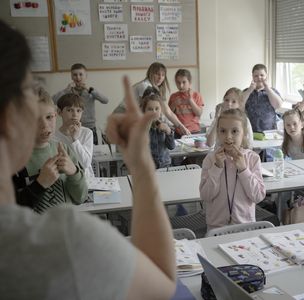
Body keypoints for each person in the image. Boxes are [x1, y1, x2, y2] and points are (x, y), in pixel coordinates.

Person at [0, 21, 176, 299]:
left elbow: (79, 191)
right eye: (29, 93)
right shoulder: (64, 240)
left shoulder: (66, 146)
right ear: (12, 117)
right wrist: (141, 166)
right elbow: (162, 283)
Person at [13, 87, 88, 213]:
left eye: (49, 117)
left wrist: (74, 173)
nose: (45, 125)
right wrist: (40, 184)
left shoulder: (64, 149)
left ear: (55, 115)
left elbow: (81, 197)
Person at [200, 109, 266, 231]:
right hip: (216, 228)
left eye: (235, 131)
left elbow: (258, 196)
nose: (228, 137)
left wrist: (243, 169)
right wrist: (217, 167)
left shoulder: (252, 159)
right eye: (223, 131)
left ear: (244, 133)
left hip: (246, 227)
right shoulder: (210, 159)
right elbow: (206, 196)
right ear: (218, 133)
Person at [113, 62, 191, 135]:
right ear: (151, 74)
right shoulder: (145, 86)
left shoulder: (157, 89)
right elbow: (152, 111)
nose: (160, 77)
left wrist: (180, 126)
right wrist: (174, 126)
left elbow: (167, 111)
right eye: (157, 74)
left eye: (163, 75)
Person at [53, 63, 109, 145]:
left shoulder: (91, 91)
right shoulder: (68, 91)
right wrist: (65, 90)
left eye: (81, 74)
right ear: (71, 77)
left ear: (86, 76)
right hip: (71, 128)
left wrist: (91, 91)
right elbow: (53, 100)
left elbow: (105, 100)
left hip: (90, 127)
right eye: (75, 75)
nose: (78, 77)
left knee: (91, 154)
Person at [54, 93, 94, 178]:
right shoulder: (54, 137)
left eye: (78, 110)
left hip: (86, 181)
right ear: (59, 112)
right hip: (64, 181)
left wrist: (75, 139)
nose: (75, 114)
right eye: (69, 110)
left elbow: (86, 163)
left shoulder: (87, 133)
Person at [242, 64, 284, 132]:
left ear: (266, 76)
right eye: (256, 76)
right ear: (252, 77)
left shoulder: (273, 91)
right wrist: (250, 90)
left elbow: (278, 105)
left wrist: (267, 88)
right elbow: (239, 104)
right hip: (251, 130)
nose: (259, 77)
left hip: (270, 130)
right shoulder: (246, 91)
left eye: (262, 75)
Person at [141, 87, 175, 168]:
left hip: (165, 165)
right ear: (144, 111)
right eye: (150, 109)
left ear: (161, 110)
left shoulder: (165, 124)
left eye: (157, 109)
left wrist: (168, 131)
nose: (154, 112)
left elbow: (171, 146)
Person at [168, 69, 204, 138]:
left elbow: (199, 113)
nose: (181, 85)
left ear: (189, 82)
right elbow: (169, 114)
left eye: (184, 82)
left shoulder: (196, 95)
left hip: (194, 131)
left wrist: (190, 100)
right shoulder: (173, 96)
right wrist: (174, 104)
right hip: (178, 131)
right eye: (178, 82)